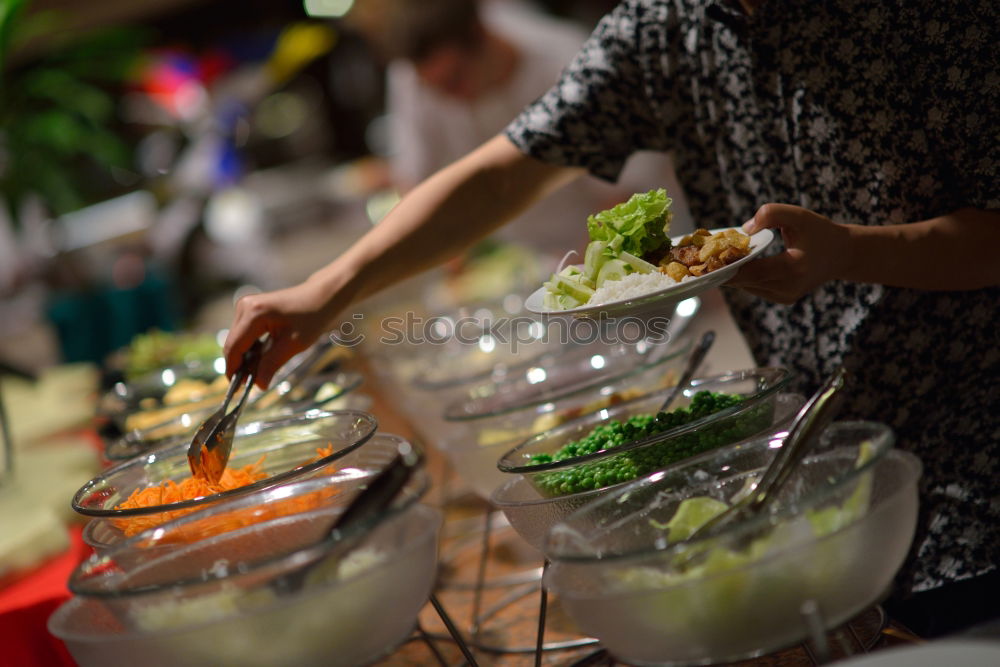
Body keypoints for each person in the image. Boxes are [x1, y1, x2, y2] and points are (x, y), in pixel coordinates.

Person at [228, 0, 1000, 637]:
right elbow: (507, 172)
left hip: (975, 474)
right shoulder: (665, 27)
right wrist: (324, 292)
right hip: (821, 458)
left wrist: (851, 251)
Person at [345, 0, 693, 255]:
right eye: (434, 90)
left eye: (454, 82)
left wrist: (578, 277)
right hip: (526, 258)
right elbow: (416, 185)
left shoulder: (569, 61)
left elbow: (622, 200)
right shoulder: (413, 76)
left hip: (626, 251)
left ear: (482, 37)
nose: (449, 102)